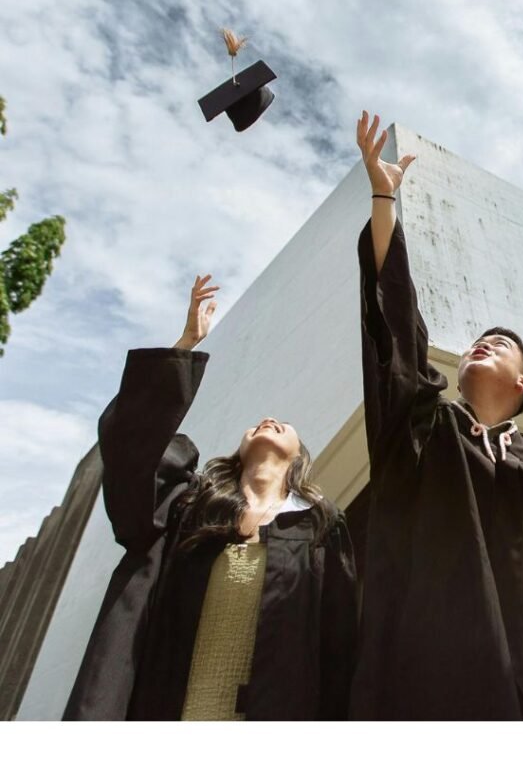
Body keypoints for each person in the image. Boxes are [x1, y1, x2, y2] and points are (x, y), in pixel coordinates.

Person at [349, 112, 523, 720]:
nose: (480, 344)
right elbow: (396, 328)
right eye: (475, 341)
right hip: (425, 677)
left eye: (499, 344)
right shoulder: (425, 428)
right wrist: (384, 198)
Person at [64, 275, 358, 720]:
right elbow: (132, 452)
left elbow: (338, 649)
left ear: (299, 456)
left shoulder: (319, 528)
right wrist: (184, 345)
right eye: (255, 422)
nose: (268, 418)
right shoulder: (187, 506)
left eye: (284, 423)